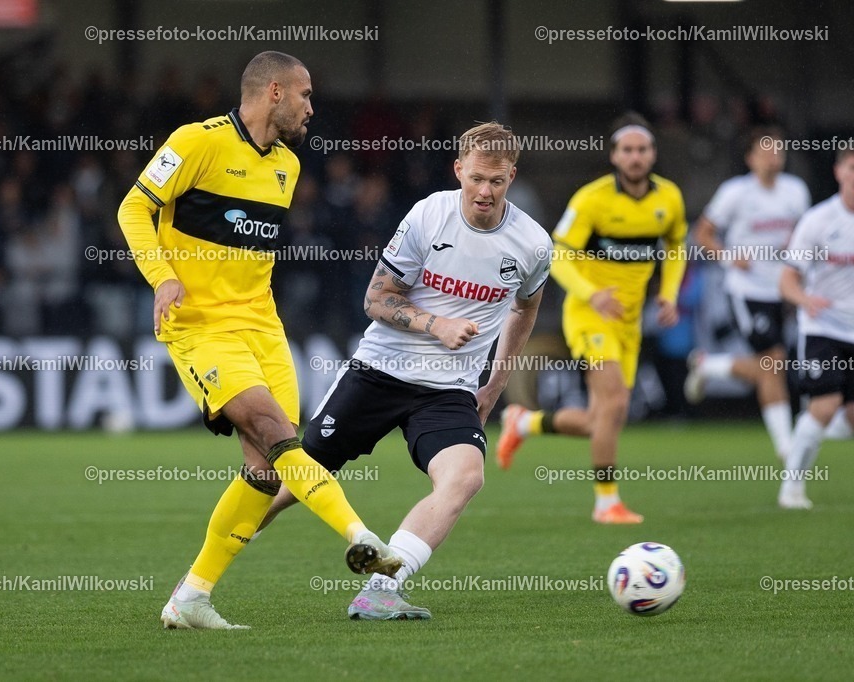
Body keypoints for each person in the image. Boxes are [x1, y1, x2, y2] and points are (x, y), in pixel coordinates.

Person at [117, 51, 401, 630]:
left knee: (266, 469)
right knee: (276, 432)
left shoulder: (288, 168)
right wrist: (163, 276)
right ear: (274, 92)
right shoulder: (196, 141)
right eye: (305, 95)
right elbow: (133, 208)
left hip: (263, 328)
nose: (311, 108)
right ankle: (361, 534)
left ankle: (191, 597)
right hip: (201, 326)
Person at [256, 122, 552, 619]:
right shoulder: (427, 216)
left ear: (512, 177)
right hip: (379, 370)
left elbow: (525, 309)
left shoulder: (532, 244)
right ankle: (201, 575)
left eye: (497, 182)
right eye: (477, 178)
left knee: (464, 477)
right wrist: (434, 323)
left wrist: (494, 384)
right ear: (459, 170)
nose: (485, 191)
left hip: (448, 391)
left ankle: (381, 589)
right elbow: (375, 299)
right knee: (288, 481)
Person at [497, 113, 687, 524]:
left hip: (629, 321)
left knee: (604, 419)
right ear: (615, 156)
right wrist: (592, 293)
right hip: (588, 315)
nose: (635, 157)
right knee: (616, 400)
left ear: (652, 154)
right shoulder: (592, 199)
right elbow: (558, 253)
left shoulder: (668, 198)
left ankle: (525, 422)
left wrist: (669, 295)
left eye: (642, 149)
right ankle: (607, 503)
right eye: (627, 150)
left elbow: (675, 246)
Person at [684, 127, 811, 462]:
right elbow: (703, 234)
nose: (774, 157)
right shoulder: (735, 193)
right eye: (766, 151)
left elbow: (803, 235)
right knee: (774, 361)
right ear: (750, 157)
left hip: (781, 291)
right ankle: (787, 447)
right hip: (746, 290)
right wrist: (728, 257)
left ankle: (709, 365)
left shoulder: (796, 192)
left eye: (779, 150)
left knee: (769, 365)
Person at [777, 149, 854, 509]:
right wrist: (804, 299)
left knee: (847, 417)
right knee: (824, 404)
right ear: (839, 171)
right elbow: (787, 279)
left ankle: (824, 423)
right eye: (852, 168)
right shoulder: (819, 220)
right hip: (823, 328)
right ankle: (791, 489)